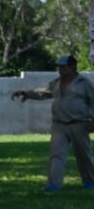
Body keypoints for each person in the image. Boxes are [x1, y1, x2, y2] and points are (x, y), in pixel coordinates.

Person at [11, 54, 94, 190]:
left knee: (83, 154)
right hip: (59, 124)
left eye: (64, 67)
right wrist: (27, 93)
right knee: (56, 154)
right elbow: (43, 92)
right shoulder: (56, 83)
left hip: (79, 123)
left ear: (73, 67)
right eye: (59, 67)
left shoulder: (84, 83)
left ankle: (90, 181)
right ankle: (54, 183)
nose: (61, 70)